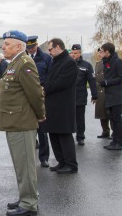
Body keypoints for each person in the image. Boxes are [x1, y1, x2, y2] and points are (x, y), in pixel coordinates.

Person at [0, 31, 45, 216]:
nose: (3, 47)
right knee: (20, 164)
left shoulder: (24, 63)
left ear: (19, 46)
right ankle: (25, 195)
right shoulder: (14, 63)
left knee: (25, 165)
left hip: (22, 122)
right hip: (14, 121)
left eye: (7, 44)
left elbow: (35, 93)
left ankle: (29, 202)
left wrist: (40, 115)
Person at [43, 38, 78, 174]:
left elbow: (61, 82)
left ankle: (71, 164)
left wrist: (45, 88)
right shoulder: (55, 61)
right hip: (53, 105)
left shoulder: (69, 62)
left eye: (50, 49)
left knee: (64, 135)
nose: (49, 52)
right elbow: (49, 79)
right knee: (54, 134)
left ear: (58, 47)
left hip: (63, 106)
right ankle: (61, 161)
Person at [26, 35, 52, 168]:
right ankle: (29, 159)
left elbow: (50, 77)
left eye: (32, 47)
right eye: (28, 47)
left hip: (41, 97)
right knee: (28, 131)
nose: (30, 50)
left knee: (42, 130)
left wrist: (44, 90)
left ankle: (44, 157)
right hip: (26, 99)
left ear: (36, 45)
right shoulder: (23, 58)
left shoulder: (46, 58)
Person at [99, 42, 122, 150]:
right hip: (109, 95)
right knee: (113, 119)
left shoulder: (118, 61)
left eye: (101, 51)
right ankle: (114, 141)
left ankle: (119, 143)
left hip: (116, 95)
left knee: (117, 119)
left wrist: (107, 82)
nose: (100, 52)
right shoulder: (106, 61)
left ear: (107, 51)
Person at [70, 44, 98, 146]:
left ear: (80, 53)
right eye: (72, 53)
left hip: (80, 96)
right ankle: (69, 135)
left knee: (80, 118)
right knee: (69, 117)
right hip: (68, 97)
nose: (73, 55)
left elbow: (92, 81)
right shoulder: (68, 64)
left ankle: (80, 136)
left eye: (75, 53)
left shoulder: (86, 65)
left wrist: (94, 95)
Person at [95, 48, 111, 138]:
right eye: (99, 52)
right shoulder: (98, 64)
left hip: (107, 89)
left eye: (101, 52)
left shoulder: (109, 63)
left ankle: (114, 132)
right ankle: (105, 131)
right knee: (101, 113)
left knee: (110, 113)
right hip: (99, 90)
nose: (99, 54)